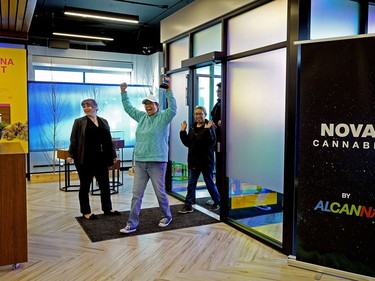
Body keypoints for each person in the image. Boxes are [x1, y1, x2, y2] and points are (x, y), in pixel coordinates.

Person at [119, 78, 177, 234]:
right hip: (140, 162)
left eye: (151, 104)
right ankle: (131, 223)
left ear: (157, 105)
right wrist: (123, 94)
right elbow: (129, 109)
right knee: (136, 195)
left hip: (157, 162)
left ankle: (167, 216)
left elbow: (173, 110)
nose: (148, 106)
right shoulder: (142, 117)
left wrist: (169, 91)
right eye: (146, 104)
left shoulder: (163, 117)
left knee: (160, 192)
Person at [67, 98, 120, 220]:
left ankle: (107, 208)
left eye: (88, 105)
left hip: (101, 159)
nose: (86, 108)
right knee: (85, 186)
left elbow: (108, 140)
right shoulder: (79, 122)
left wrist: (113, 155)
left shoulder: (104, 121)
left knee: (105, 185)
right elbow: (74, 140)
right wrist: (70, 154)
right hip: (85, 159)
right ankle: (86, 212)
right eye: (84, 106)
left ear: (96, 107)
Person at [179, 106, 221, 214]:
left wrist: (207, 130)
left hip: (206, 161)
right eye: (196, 114)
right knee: (191, 183)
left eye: (200, 114)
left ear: (205, 114)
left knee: (209, 183)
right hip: (194, 161)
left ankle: (217, 201)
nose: (198, 116)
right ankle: (188, 205)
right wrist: (182, 132)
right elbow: (188, 143)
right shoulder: (193, 127)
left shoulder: (210, 126)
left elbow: (210, 143)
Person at [210, 82, 223, 204]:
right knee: (218, 168)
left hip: (223, 142)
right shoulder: (218, 104)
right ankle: (218, 195)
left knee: (222, 168)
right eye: (217, 91)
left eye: (220, 90)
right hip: (216, 139)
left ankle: (221, 196)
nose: (218, 93)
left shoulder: (227, 104)